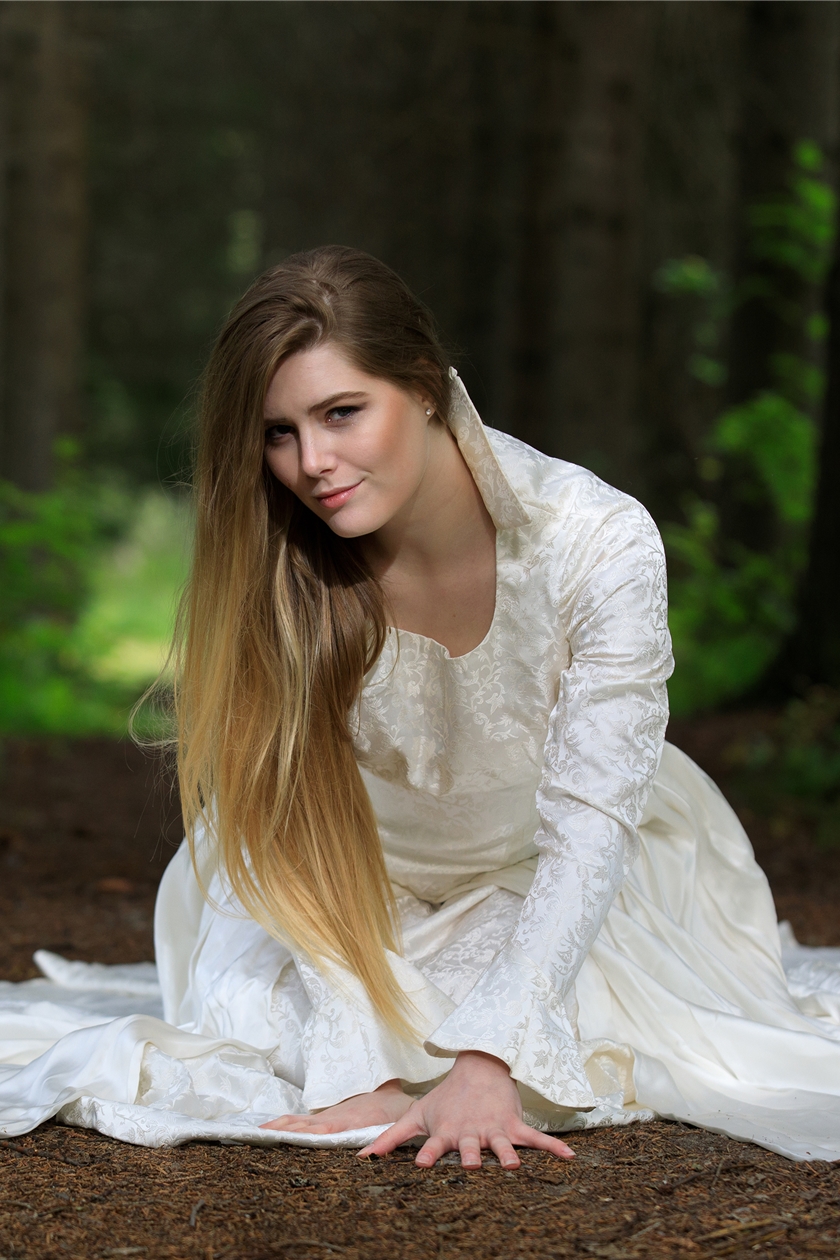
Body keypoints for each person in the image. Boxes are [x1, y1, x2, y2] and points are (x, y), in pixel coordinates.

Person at [1, 246, 839, 1164]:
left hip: (549, 855)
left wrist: (492, 1055)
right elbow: (286, 820)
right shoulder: (281, 557)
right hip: (329, 876)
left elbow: (590, 824)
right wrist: (354, 1062)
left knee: (559, 1033)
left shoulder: (597, 540)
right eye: (278, 432)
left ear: (427, 388)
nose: (312, 463)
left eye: (342, 413)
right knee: (285, 1038)